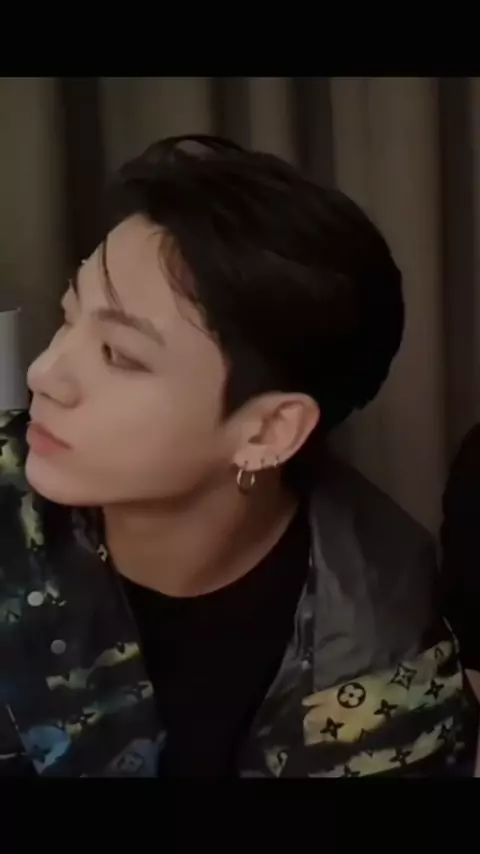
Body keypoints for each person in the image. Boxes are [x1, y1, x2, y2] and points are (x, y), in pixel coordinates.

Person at [0, 134, 477, 778]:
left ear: (270, 431)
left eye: (118, 355)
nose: (44, 373)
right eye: (68, 316)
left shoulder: (385, 643)